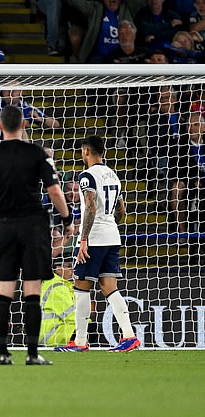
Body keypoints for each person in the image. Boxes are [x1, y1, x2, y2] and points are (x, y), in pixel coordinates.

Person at [0, 104, 73, 366]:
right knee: (32, 292)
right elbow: (55, 192)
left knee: (4, 291)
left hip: (4, 227)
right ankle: (31, 353)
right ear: (24, 125)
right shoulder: (35, 152)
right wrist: (67, 219)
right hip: (33, 227)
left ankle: (3, 353)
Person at [54, 136, 141, 353]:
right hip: (112, 236)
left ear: (86, 151)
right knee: (109, 288)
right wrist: (110, 222)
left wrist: (83, 240)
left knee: (81, 287)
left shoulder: (87, 176)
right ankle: (130, 336)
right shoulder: (114, 175)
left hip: (95, 239)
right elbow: (121, 210)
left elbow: (90, 207)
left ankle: (80, 342)